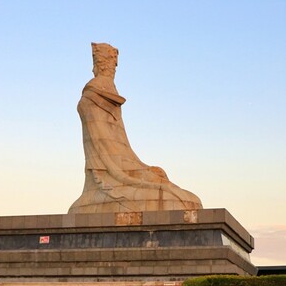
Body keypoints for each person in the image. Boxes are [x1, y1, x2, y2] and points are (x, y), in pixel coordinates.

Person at [68, 43, 203, 213]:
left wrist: (143, 168)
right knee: (177, 197)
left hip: (124, 168)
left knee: (171, 185)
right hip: (109, 177)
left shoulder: (105, 96)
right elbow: (104, 156)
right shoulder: (90, 100)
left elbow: (122, 149)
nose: (113, 70)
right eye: (112, 65)